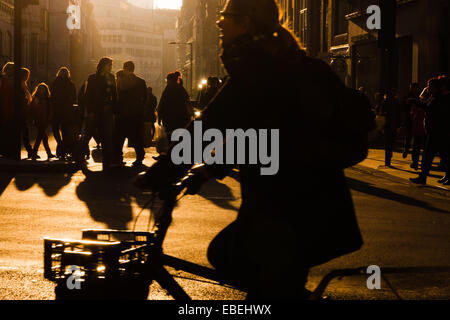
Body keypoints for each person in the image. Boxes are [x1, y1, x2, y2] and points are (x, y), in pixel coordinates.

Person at [136, 0, 364, 300]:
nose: (219, 24)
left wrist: (157, 175)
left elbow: (210, 129)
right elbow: (264, 137)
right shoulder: (281, 65)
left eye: (224, 18)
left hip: (289, 215)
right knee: (238, 261)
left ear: (245, 22)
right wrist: (210, 168)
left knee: (238, 261)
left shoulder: (260, 70)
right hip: (312, 209)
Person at [80, 57, 117, 171]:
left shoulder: (111, 77)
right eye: (109, 65)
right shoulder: (92, 78)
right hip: (95, 111)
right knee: (87, 135)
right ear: (103, 65)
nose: (110, 67)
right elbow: (88, 95)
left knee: (107, 137)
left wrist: (112, 107)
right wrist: (90, 111)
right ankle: (79, 157)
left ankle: (107, 162)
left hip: (106, 111)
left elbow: (115, 95)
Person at [410, 77, 449, 185]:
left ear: (436, 88)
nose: (428, 88)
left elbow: (429, 108)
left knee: (430, 155)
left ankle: (423, 177)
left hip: (438, 131)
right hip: (435, 131)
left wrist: (416, 102)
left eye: (430, 86)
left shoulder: (439, 99)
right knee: (442, 155)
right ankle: (425, 176)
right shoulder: (435, 97)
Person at [113, 61, 147, 167]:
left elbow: (116, 97)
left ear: (124, 69)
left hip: (122, 114)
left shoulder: (120, 81)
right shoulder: (141, 81)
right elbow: (145, 98)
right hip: (135, 114)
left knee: (119, 137)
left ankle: (118, 157)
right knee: (137, 137)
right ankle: (140, 158)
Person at [50, 67, 77, 159]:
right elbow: (74, 97)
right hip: (66, 110)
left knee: (56, 129)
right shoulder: (70, 84)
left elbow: (52, 96)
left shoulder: (55, 83)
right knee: (65, 131)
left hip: (58, 109)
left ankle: (61, 146)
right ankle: (63, 147)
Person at [157, 72, 192, 141]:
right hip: (182, 118)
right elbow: (187, 102)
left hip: (169, 118)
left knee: (170, 137)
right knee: (180, 137)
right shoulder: (181, 89)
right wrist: (190, 115)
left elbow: (162, 103)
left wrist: (159, 117)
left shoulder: (168, 89)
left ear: (169, 80)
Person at [30, 83, 55, 161]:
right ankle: (47, 153)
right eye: (40, 89)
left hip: (45, 120)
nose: (41, 90)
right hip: (39, 120)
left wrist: (49, 119)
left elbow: (50, 110)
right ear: (37, 90)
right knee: (42, 137)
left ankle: (36, 153)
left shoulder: (48, 99)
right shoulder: (36, 98)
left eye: (43, 89)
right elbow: (33, 109)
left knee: (42, 137)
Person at [381, 88, 402, 166]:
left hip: (389, 124)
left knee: (388, 143)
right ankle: (388, 157)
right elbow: (398, 113)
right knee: (390, 142)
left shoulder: (387, 101)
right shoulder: (395, 101)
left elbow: (382, 111)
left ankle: (388, 158)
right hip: (392, 124)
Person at [402, 83, 420, 159]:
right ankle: (407, 149)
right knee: (409, 135)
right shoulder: (409, 97)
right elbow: (404, 108)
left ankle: (410, 152)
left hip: (415, 119)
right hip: (410, 118)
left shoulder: (417, 97)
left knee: (412, 136)